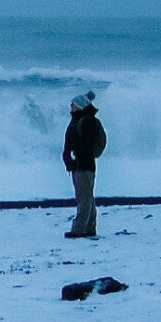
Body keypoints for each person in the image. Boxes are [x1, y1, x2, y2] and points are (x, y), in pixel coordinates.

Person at [62, 91, 107, 238]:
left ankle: (80, 229)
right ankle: (89, 227)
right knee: (87, 197)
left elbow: (83, 145)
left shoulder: (85, 122)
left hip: (82, 165)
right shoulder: (82, 120)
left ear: (80, 106)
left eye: (73, 104)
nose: (71, 107)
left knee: (84, 198)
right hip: (83, 165)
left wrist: (74, 157)